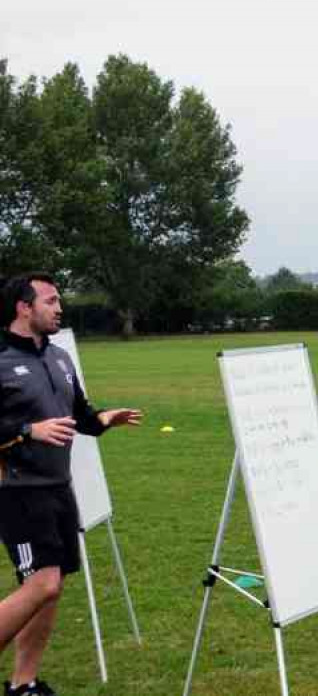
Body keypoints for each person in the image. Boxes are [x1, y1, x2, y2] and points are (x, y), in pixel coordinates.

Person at [0, 273, 143, 696]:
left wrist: (103, 420)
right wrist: (28, 430)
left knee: (51, 588)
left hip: (59, 488)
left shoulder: (61, 358)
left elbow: (81, 415)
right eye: (50, 300)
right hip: (17, 491)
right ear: (23, 308)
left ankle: (22, 684)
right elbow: (25, 427)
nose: (59, 307)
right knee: (42, 583)